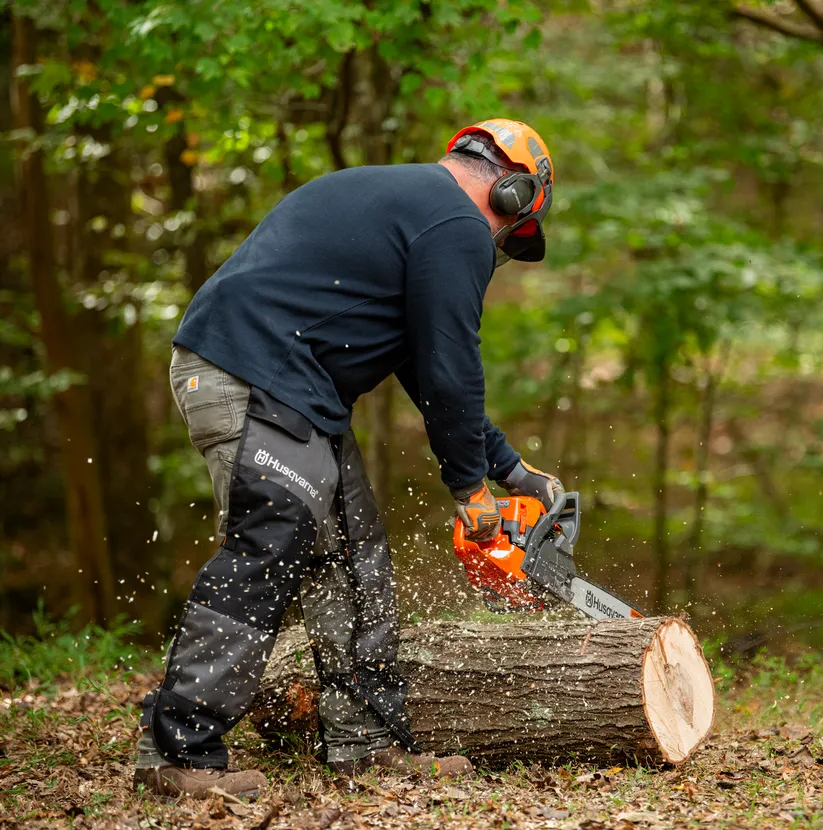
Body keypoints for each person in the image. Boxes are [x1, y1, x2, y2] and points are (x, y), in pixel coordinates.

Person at [133, 119, 564, 800]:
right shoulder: (456, 222)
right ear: (514, 194)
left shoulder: (409, 203)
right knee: (270, 542)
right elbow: (451, 368)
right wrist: (469, 490)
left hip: (292, 388)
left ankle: (366, 743)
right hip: (252, 373)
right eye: (512, 234)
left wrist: (507, 469)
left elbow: (429, 369)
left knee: (353, 555)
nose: (500, 248)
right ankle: (175, 753)